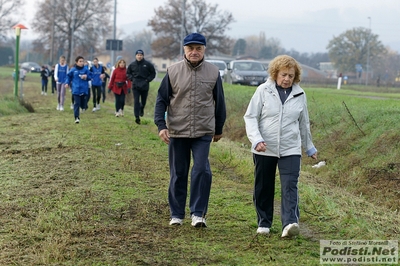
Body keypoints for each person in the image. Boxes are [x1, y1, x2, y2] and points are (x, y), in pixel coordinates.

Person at [154, 33, 226, 228]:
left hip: (203, 131)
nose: (194, 52)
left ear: (204, 50)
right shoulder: (172, 71)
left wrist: (218, 128)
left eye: (198, 49)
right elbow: (161, 100)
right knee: (178, 173)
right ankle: (176, 214)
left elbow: (219, 101)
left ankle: (198, 213)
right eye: (190, 48)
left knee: (202, 170)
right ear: (184, 50)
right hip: (177, 130)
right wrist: (161, 125)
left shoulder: (213, 72)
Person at [243, 55, 318, 238]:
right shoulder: (263, 90)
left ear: (295, 77)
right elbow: (251, 117)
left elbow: (304, 123)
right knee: (263, 186)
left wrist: (309, 147)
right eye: (284, 75)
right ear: (275, 74)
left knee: (290, 186)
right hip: (264, 147)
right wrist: (256, 139)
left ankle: (290, 223)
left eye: (291, 76)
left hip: (290, 148)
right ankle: (264, 222)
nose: (287, 79)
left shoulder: (300, 94)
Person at [127, 49, 156, 124]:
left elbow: (153, 73)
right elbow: (128, 73)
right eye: (138, 55)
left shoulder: (148, 64)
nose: (139, 56)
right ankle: (137, 117)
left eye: (141, 55)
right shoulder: (132, 65)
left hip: (144, 85)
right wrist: (132, 79)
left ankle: (142, 108)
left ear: (143, 56)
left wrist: (147, 80)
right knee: (136, 101)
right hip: (135, 85)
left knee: (143, 101)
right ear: (135, 56)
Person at [64, 56, 93, 124]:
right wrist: (67, 83)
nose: (81, 63)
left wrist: (86, 77)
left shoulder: (86, 70)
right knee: (76, 103)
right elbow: (68, 76)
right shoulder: (73, 70)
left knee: (83, 105)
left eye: (82, 61)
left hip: (84, 90)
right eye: (80, 61)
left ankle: (83, 107)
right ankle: (76, 117)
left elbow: (91, 76)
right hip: (76, 89)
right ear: (76, 62)